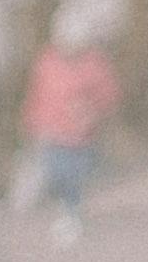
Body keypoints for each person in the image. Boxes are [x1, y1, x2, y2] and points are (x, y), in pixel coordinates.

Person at [18, 20, 119, 243]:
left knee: (75, 175)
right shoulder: (47, 63)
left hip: (81, 135)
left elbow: (108, 95)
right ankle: (63, 208)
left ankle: (72, 212)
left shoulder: (94, 64)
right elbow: (38, 94)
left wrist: (92, 109)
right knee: (54, 172)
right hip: (51, 131)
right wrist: (32, 121)